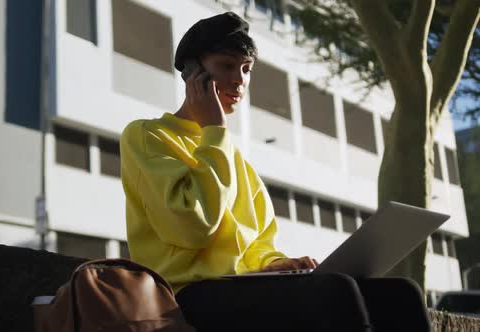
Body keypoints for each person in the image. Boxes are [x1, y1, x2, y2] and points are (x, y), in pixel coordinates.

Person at [120, 11, 430, 332]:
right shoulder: (148, 136)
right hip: (185, 295)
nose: (240, 80)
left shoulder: (232, 157)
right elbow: (194, 227)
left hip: (242, 287)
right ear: (192, 71)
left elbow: (257, 242)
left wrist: (274, 264)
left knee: (400, 293)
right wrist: (214, 130)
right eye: (227, 65)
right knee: (332, 291)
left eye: (246, 69)